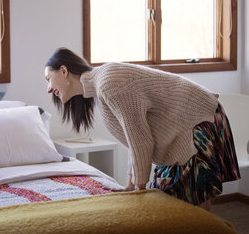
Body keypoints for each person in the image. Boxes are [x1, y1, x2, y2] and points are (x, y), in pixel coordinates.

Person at [44, 47, 240, 210]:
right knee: (176, 205)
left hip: (198, 122)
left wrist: (139, 190)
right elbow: (134, 139)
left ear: (63, 71)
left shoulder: (108, 82)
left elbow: (140, 140)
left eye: (48, 79)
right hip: (182, 132)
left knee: (194, 205)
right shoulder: (99, 93)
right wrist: (131, 186)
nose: (48, 89)